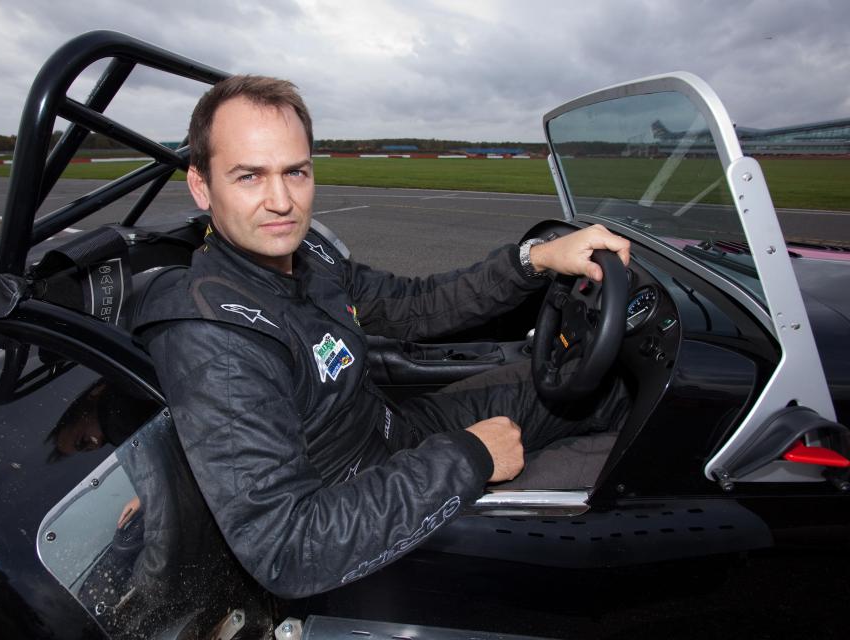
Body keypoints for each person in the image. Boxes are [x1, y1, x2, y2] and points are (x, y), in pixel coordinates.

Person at [132, 75, 631, 599]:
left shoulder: (310, 257)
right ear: (201, 185)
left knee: (596, 388)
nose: (281, 201)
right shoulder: (215, 339)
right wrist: (469, 459)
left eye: (295, 172)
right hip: (356, 502)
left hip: (394, 434)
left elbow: (417, 305)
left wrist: (536, 258)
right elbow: (287, 548)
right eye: (250, 177)